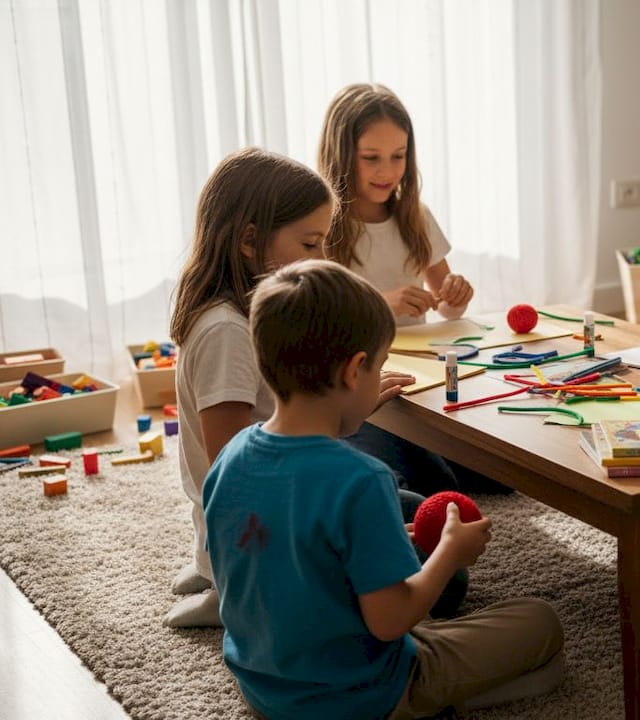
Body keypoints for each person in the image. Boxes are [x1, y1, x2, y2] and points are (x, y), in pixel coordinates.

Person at [204, 259, 564, 719]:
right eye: (379, 365)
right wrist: (449, 552)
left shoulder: (231, 456)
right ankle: (426, 700)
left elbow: (274, 563)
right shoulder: (361, 479)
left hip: (261, 685)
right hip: (356, 695)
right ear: (356, 370)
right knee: (539, 620)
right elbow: (391, 621)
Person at [165, 148, 453, 628]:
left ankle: (211, 568)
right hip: (258, 547)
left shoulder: (244, 316)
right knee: (442, 569)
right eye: (311, 245)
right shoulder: (226, 333)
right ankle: (222, 585)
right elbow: (234, 476)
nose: (324, 261)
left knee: (413, 511)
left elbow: (273, 435)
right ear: (249, 242)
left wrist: (342, 405)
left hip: (273, 520)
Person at [316, 82, 503, 496]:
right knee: (405, 488)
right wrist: (382, 304)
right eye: (371, 158)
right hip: (354, 386)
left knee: (484, 478)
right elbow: (316, 323)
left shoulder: (414, 216)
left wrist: (455, 294)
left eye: (398, 157)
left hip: (415, 380)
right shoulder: (322, 225)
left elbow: (447, 310)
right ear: (342, 155)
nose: (387, 171)